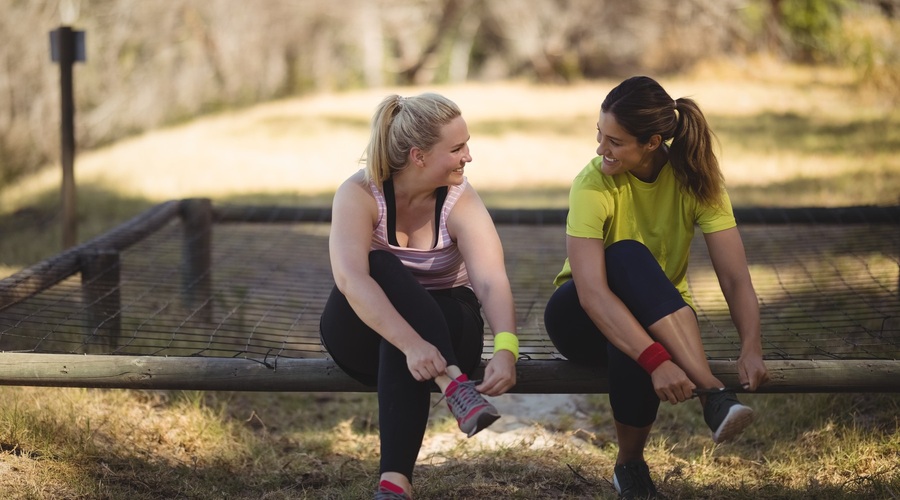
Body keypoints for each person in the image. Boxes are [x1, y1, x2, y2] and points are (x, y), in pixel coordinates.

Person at [543, 76, 769, 500]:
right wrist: (657, 361)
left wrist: (751, 345)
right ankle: (713, 396)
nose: (600, 149)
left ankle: (629, 468)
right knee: (626, 255)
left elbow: (735, 276)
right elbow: (592, 294)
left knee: (638, 334)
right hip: (578, 316)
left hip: (653, 318)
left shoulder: (698, 180)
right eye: (599, 134)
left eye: (615, 141)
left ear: (652, 142)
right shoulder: (592, 183)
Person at [319, 92, 519, 500]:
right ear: (419, 156)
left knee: (409, 328)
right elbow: (351, 280)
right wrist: (411, 344)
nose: (468, 156)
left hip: (449, 329)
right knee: (380, 266)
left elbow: (489, 280)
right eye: (457, 148)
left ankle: (395, 484)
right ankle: (452, 385)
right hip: (364, 337)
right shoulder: (359, 194)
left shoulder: (460, 199)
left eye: (467, 144)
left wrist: (506, 349)